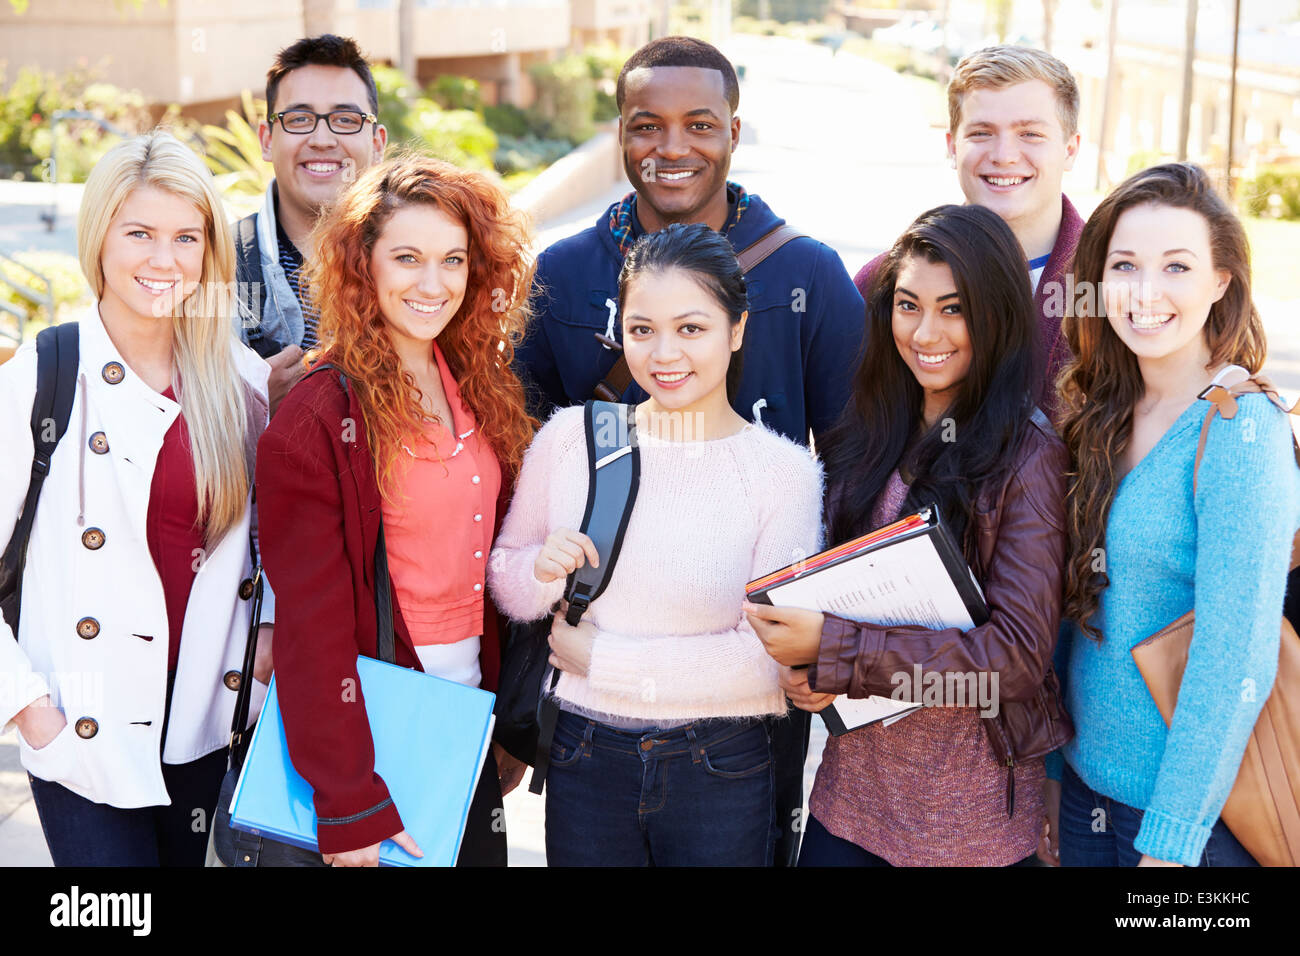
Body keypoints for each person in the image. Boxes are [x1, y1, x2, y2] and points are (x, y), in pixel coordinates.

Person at [514, 35, 863, 865]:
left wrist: (833, 643)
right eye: (646, 125)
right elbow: (520, 469)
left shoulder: (806, 273)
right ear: (620, 134)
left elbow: (856, 463)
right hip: (589, 703)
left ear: (735, 133)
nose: (672, 148)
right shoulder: (561, 274)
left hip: (736, 704)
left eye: (699, 125)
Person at [488, 222, 823, 866]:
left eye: (690, 328)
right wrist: (540, 571)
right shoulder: (572, 439)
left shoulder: (784, 475)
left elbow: (770, 657)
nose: (663, 354)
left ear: (738, 330)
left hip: (720, 764)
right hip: (585, 758)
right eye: (642, 330)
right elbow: (506, 578)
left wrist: (605, 661)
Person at [746, 204, 1071, 866]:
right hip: (849, 806)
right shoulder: (862, 434)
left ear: (999, 316)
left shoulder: (1029, 455)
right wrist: (813, 673)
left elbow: (1011, 662)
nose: (927, 332)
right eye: (908, 305)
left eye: (955, 309)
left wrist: (835, 647)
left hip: (970, 825)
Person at [0, 130, 272, 866]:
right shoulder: (44, 372)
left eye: (187, 236)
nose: (164, 260)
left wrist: (266, 654)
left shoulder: (239, 379)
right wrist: (32, 712)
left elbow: (273, 549)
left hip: (206, 731)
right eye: (140, 233)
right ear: (99, 237)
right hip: (85, 732)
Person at [255, 155, 534, 867]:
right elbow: (310, 626)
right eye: (407, 257)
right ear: (363, 265)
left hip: (461, 727)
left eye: (453, 260)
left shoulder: (478, 386)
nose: (432, 283)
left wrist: (501, 725)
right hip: (369, 746)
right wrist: (348, 803)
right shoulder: (319, 415)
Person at [1049, 162, 1300, 867]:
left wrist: (1173, 838)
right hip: (1085, 794)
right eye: (1124, 265)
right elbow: (1075, 614)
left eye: (1177, 267)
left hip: (1190, 826)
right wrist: (1051, 775)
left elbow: (1236, 656)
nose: (1146, 293)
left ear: (1220, 282)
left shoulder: (1240, 432)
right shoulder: (1099, 411)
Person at [853, 45, 1083, 419]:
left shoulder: (1113, 289)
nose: (1004, 155)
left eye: (1030, 134)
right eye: (981, 133)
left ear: (1070, 149)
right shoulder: (881, 284)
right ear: (952, 147)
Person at [234, 33, 387, 413]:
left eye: (346, 119)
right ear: (267, 140)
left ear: (378, 143)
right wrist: (248, 406)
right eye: (299, 118)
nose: (322, 139)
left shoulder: (417, 261)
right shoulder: (214, 264)